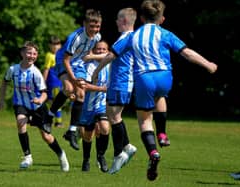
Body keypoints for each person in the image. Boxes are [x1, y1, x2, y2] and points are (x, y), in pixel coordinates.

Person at [93, 0, 217, 180]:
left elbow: (111, 55)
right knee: (160, 96)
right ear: (162, 19)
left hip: (144, 79)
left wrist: (96, 71)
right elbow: (187, 53)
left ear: (141, 18)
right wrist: (208, 64)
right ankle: (162, 133)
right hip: (165, 77)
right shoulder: (165, 33)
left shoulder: (132, 36)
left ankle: (152, 152)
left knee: (144, 120)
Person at [0, 41, 69, 172]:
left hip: (37, 107)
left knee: (46, 136)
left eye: (35, 53)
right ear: (22, 53)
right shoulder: (13, 69)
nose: (32, 55)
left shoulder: (36, 73)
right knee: (20, 121)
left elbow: (45, 93)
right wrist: (1, 99)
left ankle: (61, 154)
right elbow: (5, 82)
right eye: (29, 52)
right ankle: (27, 157)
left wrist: (39, 99)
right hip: (20, 104)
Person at [89, 7, 138, 175]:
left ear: (124, 21)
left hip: (120, 83)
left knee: (114, 117)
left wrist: (96, 72)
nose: (116, 22)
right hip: (119, 83)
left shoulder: (126, 37)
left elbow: (110, 56)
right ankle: (127, 147)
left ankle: (119, 154)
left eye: (118, 19)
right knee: (112, 116)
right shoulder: (131, 37)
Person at [48, 9, 103, 151]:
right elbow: (66, 59)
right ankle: (49, 116)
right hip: (63, 61)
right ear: (85, 24)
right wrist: (73, 79)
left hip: (78, 64)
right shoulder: (76, 37)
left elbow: (86, 53)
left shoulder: (97, 37)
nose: (95, 29)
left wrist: (90, 59)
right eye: (92, 26)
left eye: (97, 26)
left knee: (80, 94)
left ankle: (71, 131)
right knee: (68, 88)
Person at [77, 41, 110, 173]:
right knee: (88, 135)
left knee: (105, 128)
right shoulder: (88, 66)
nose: (101, 51)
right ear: (93, 50)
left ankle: (101, 156)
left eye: (104, 49)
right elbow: (83, 86)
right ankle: (86, 160)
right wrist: (102, 89)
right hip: (87, 107)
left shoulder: (110, 65)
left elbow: (111, 55)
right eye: (98, 49)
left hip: (101, 106)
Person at [42, 36, 63, 127]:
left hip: (60, 81)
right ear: (49, 45)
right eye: (53, 44)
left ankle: (53, 119)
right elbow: (46, 69)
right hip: (53, 82)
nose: (55, 46)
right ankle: (58, 121)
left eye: (57, 44)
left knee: (54, 101)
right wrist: (43, 82)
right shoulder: (49, 55)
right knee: (55, 101)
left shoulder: (61, 55)